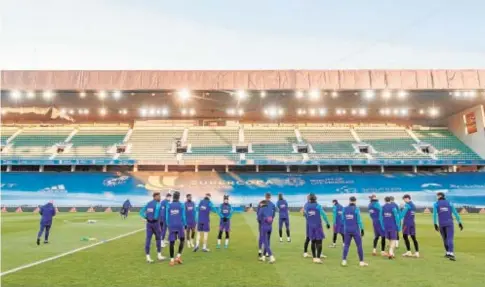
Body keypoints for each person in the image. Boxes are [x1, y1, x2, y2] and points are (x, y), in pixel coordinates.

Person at [433, 192, 463, 261]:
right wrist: (459, 222)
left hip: (441, 224)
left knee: (444, 238)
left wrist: (435, 224)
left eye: (437, 196)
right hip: (449, 223)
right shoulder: (450, 203)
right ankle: (451, 253)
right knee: (450, 238)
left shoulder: (436, 204)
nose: (436, 197)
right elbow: (455, 213)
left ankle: (447, 252)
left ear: (439, 196)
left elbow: (434, 215)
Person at [341, 196, 368, 267]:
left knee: (346, 245)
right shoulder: (356, 209)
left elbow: (342, 219)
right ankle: (361, 262)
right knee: (359, 245)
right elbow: (359, 220)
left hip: (347, 229)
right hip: (355, 229)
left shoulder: (344, 209)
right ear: (355, 201)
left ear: (349, 200)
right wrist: (362, 229)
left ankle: (344, 260)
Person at [304, 193, 331, 264]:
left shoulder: (306, 206)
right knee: (319, 242)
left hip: (310, 226)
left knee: (313, 241)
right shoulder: (318, 206)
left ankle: (314, 258)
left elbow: (305, 215)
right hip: (318, 226)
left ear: (309, 199)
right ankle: (318, 258)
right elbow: (324, 215)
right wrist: (327, 223)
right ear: (315, 199)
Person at [139, 192, 164, 263]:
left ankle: (148, 257)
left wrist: (146, 217)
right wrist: (156, 219)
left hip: (149, 224)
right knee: (158, 239)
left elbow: (141, 212)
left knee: (148, 240)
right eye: (159, 196)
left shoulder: (148, 204)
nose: (160, 198)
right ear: (155, 197)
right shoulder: (158, 204)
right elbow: (156, 216)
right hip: (156, 224)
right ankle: (159, 255)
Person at [166, 191, 186, 266]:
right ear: (179, 197)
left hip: (171, 225)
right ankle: (178, 256)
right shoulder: (181, 205)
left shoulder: (169, 205)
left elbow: (167, 217)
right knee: (182, 240)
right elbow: (183, 216)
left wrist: (168, 225)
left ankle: (171, 260)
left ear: (173, 197)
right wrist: (185, 224)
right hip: (179, 225)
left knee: (171, 242)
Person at [257, 192, 276, 257]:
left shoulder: (261, 203)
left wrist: (260, 221)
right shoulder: (272, 205)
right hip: (269, 223)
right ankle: (266, 252)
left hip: (262, 223)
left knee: (262, 236)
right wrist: (270, 220)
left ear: (265, 196)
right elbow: (273, 215)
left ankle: (261, 251)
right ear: (270, 197)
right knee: (267, 237)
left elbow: (258, 213)